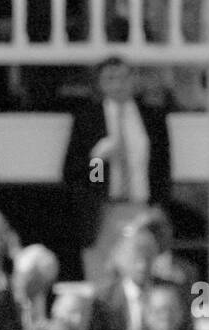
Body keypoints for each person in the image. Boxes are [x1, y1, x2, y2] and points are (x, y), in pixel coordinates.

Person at [63, 56, 172, 285]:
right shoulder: (89, 118)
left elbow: (162, 167)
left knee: (144, 271)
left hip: (142, 208)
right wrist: (98, 161)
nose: (118, 84)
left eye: (124, 77)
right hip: (105, 210)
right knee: (103, 277)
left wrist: (158, 205)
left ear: (134, 79)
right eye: (110, 78)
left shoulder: (152, 117)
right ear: (100, 83)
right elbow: (76, 174)